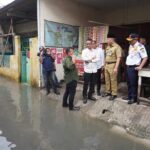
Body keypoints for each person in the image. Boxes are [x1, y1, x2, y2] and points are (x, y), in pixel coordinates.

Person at [123, 33, 148, 104]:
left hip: (134, 67)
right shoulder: (130, 46)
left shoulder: (140, 46)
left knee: (133, 83)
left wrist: (140, 66)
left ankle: (133, 98)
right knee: (128, 83)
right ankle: (129, 96)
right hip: (128, 67)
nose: (129, 41)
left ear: (136, 39)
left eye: (131, 40)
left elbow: (145, 57)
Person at [102, 33, 122, 100]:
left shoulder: (117, 47)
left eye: (108, 39)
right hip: (107, 65)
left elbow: (119, 58)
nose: (107, 40)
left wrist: (116, 67)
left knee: (113, 80)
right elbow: (106, 56)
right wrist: (104, 65)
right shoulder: (108, 46)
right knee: (107, 79)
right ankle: (108, 92)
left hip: (113, 65)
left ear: (111, 39)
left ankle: (114, 94)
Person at [82, 39, 99, 104]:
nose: (88, 45)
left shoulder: (95, 51)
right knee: (86, 84)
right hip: (87, 70)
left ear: (92, 44)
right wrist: (92, 59)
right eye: (87, 44)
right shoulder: (84, 51)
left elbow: (98, 59)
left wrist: (91, 60)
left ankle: (90, 95)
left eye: (89, 43)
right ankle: (84, 96)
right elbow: (85, 59)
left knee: (93, 84)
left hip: (94, 70)